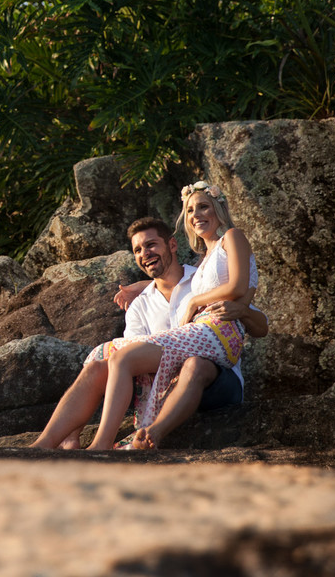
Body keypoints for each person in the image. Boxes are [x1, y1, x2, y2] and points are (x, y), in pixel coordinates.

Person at [31, 206, 268, 450]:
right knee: (97, 366)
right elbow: (133, 364)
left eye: (151, 245)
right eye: (137, 250)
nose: (145, 253)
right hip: (164, 388)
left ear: (173, 245)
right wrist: (144, 287)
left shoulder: (204, 278)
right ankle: (48, 442)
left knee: (195, 363)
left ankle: (134, 438)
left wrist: (242, 311)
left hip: (216, 383)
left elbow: (261, 326)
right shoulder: (139, 305)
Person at [85, 181, 261, 450]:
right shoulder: (204, 261)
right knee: (132, 358)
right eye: (190, 210)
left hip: (217, 333)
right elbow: (188, 280)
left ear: (219, 208)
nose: (196, 215)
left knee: (117, 354)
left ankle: (102, 445)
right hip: (208, 333)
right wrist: (142, 286)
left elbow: (237, 287)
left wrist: (194, 304)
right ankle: (141, 438)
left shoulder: (233, 237)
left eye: (203, 206)